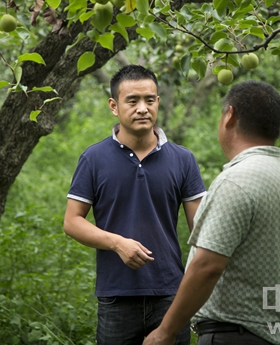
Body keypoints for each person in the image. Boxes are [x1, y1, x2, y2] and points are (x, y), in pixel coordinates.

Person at [143, 80, 280, 345]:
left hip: (234, 335)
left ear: (229, 116)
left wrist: (166, 331)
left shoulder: (236, 180)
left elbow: (207, 266)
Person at [63, 64, 207, 345]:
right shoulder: (93, 159)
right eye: (133, 101)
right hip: (117, 296)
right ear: (114, 106)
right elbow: (72, 221)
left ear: (158, 102)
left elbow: (201, 231)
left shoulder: (183, 159)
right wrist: (117, 243)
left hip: (171, 295)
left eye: (149, 100)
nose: (143, 108)